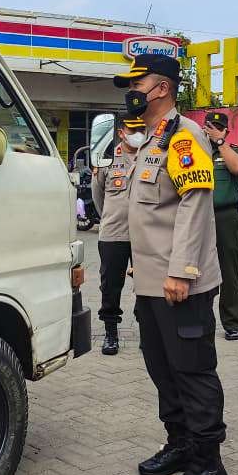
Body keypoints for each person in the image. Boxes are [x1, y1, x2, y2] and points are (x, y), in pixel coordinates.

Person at [114, 53, 230, 475]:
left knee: (193, 371)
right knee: (163, 369)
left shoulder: (184, 137)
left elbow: (194, 205)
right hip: (151, 283)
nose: (131, 92)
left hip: (180, 283)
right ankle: (180, 444)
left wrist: (181, 270)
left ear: (160, 88)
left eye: (137, 83)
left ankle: (209, 465)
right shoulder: (150, 140)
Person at [91, 116, 147, 355]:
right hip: (114, 233)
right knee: (111, 286)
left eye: (141, 130)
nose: (138, 134)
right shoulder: (105, 159)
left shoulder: (151, 156)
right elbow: (98, 197)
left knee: (147, 285)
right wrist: (112, 217)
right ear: (122, 133)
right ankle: (111, 333)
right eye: (133, 130)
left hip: (145, 234)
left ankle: (148, 330)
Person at [202, 111, 238, 341]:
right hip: (198, 218)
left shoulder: (232, 151)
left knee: (228, 271)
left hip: (225, 217)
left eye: (218, 127)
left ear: (226, 130)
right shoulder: (195, 151)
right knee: (197, 269)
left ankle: (231, 323)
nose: (213, 130)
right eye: (210, 126)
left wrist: (221, 143)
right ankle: (201, 319)